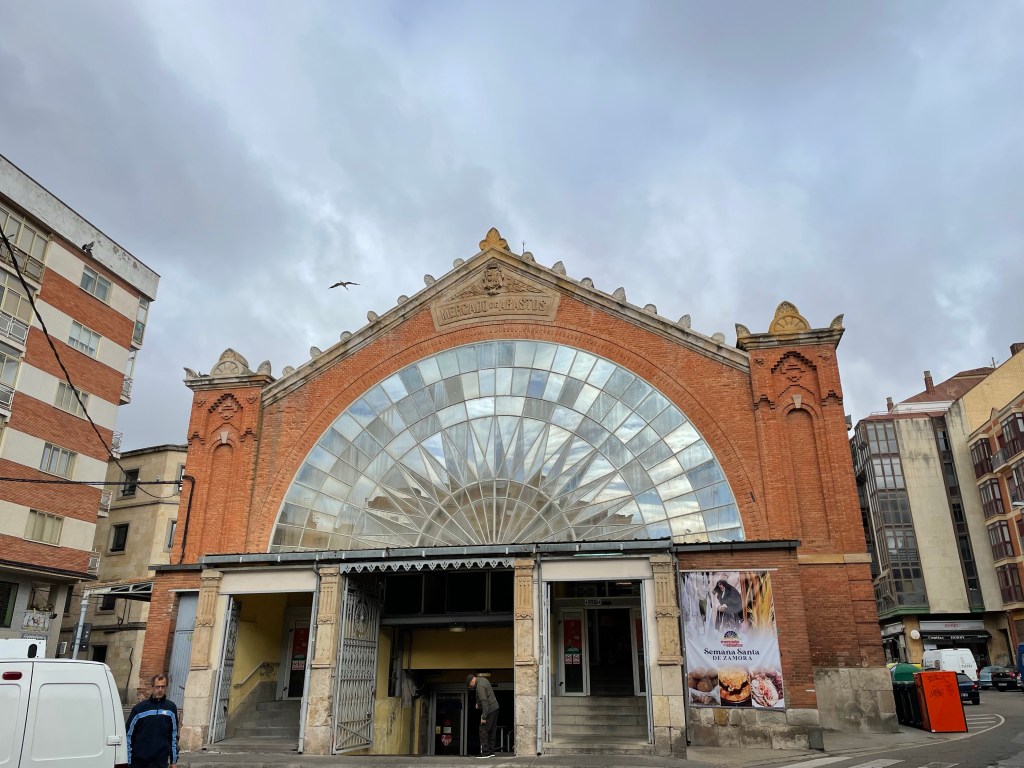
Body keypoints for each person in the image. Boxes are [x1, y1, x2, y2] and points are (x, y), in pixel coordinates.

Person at [126, 673, 178, 768]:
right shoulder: (139, 709)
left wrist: (173, 761)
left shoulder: (171, 708)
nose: (160, 690)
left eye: (163, 687)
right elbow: (128, 735)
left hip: (160, 762)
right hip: (139, 762)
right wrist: (128, 761)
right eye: (157, 687)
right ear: (152, 687)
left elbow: (173, 736)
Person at [466, 673, 499, 758]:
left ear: (472, 681)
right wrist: (478, 703)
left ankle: (485, 752)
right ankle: (491, 751)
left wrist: (484, 716)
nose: (471, 686)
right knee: (492, 729)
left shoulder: (479, 687)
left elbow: (484, 701)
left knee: (483, 729)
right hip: (495, 707)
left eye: (470, 684)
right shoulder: (482, 679)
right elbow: (486, 695)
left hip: (489, 709)